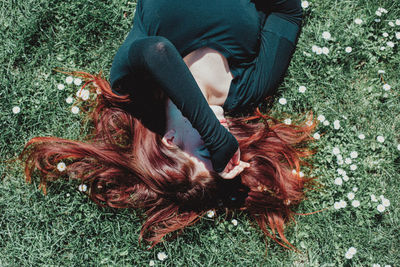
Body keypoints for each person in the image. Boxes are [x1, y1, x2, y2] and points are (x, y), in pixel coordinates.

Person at [18, 0, 322, 253]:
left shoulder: (135, 88)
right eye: (222, 148)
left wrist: (214, 134)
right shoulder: (247, 90)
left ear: (170, 140)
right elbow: (288, 12)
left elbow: (157, 52)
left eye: (208, 148)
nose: (223, 139)